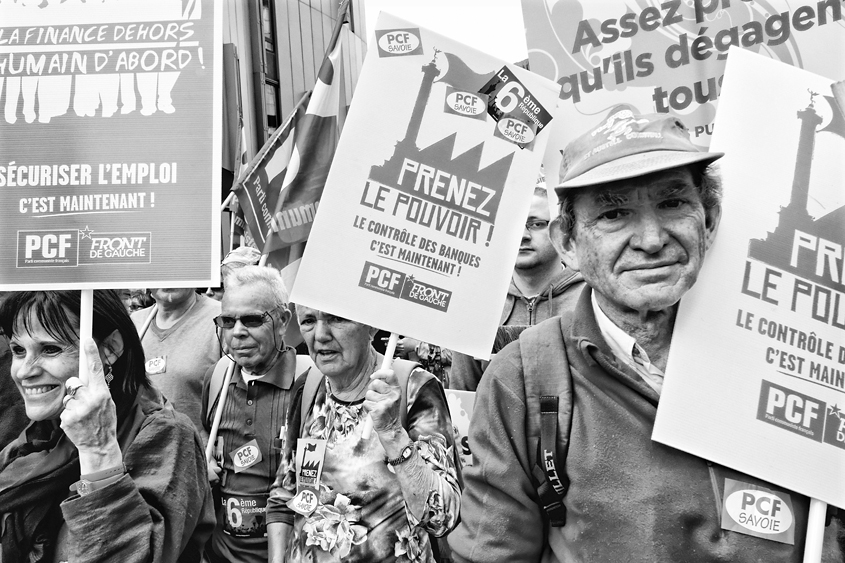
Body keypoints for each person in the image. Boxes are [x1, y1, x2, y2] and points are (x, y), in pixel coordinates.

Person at [448, 106, 844, 562]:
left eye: (673, 203)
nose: (652, 239)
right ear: (568, 243)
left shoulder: (798, 353)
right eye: (615, 213)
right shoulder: (524, 380)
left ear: (710, 219)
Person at [0, 289, 215, 563]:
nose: (24, 371)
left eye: (50, 349)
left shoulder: (167, 434)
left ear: (110, 349)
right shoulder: (38, 437)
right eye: (18, 350)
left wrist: (98, 451)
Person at [266, 306, 462, 562]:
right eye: (309, 321)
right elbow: (285, 492)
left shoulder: (413, 387)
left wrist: (392, 432)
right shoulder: (308, 385)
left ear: (371, 326)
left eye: (337, 317)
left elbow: (443, 517)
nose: (321, 334)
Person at [201, 266, 301, 563]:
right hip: (218, 553)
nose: (238, 331)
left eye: (253, 319)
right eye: (228, 321)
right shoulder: (217, 376)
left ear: (283, 321)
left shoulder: (309, 383)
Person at [449, 183, 583, 391]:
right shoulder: (479, 306)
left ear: (560, 230)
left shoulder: (590, 297)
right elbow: (463, 399)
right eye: (513, 224)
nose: (523, 235)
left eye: (536, 224)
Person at [132, 288, 221, 441]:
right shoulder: (135, 322)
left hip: (198, 457)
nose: (169, 274)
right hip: (142, 455)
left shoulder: (222, 319)